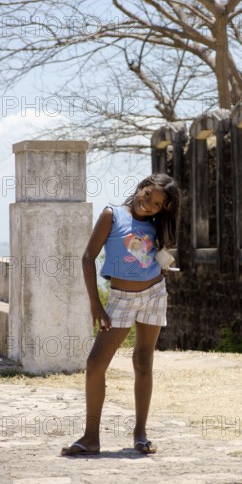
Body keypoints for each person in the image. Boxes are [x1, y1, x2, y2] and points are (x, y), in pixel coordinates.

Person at [61, 173, 181, 456]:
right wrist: (95, 303)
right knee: (95, 364)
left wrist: (162, 263)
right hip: (121, 299)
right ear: (141, 188)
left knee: (143, 361)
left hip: (154, 294)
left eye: (157, 203)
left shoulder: (156, 224)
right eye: (147, 194)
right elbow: (88, 257)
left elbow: (157, 256)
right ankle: (91, 437)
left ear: (163, 209)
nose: (148, 203)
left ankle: (140, 434)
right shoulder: (111, 214)